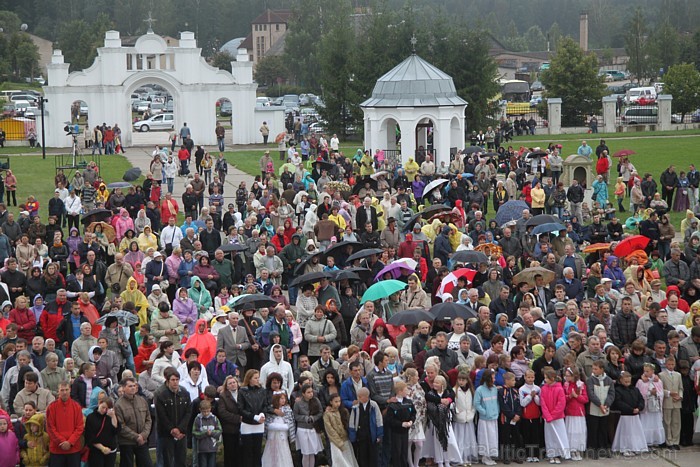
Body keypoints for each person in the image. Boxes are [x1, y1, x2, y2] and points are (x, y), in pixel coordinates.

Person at [154, 367, 191, 467]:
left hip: (181, 433)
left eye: (177, 380)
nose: (175, 382)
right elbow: (161, 415)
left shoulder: (185, 393)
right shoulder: (160, 394)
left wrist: (180, 429)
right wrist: (172, 429)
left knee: (181, 460)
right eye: (173, 380)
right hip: (166, 434)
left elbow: (188, 412)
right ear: (167, 380)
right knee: (167, 461)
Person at [115, 377, 153, 467]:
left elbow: (148, 419)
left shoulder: (142, 400)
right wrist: (136, 437)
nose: (133, 388)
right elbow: (121, 426)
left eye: (134, 386)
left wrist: (143, 435)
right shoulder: (118, 405)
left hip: (142, 441)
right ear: (123, 388)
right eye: (130, 386)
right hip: (127, 442)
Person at [46, 381, 85, 467]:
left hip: (73, 449)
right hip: (57, 450)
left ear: (70, 390)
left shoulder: (77, 406)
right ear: (58, 391)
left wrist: (70, 442)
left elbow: (80, 427)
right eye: (62, 390)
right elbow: (50, 427)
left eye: (66, 390)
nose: (64, 392)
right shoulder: (52, 407)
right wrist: (62, 441)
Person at [612, 371, 648, 456]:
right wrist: (631, 409)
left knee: (635, 432)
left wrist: (639, 408)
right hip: (625, 416)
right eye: (626, 381)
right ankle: (625, 448)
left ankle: (635, 446)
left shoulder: (635, 389)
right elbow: (619, 402)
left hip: (635, 416)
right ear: (621, 380)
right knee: (626, 432)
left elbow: (641, 399)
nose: (628, 383)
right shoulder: (618, 390)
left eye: (629, 381)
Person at [238, 369, 269, 467]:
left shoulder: (262, 390)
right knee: (247, 452)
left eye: (258, 377)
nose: (258, 380)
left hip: (259, 424)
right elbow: (240, 409)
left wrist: (262, 414)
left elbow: (265, 405)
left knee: (257, 451)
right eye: (255, 378)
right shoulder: (242, 391)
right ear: (249, 379)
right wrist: (254, 417)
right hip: (247, 424)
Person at [540, 367, 570, 463]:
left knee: (559, 435)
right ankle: (551, 454)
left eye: (546, 378)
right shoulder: (544, 389)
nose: (545, 380)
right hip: (548, 418)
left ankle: (558, 454)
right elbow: (543, 403)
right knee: (549, 436)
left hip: (557, 418)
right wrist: (548, 416)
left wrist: (553, 415)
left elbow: (561, 404)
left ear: (552, 378)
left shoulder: (559, 389)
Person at [348, 387, 383, 467]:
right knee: (362, 455)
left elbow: (379, 419)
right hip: (361, 435)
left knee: (373, 455)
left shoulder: (374, 405)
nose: (358, 398)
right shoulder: (355, 407)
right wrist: (352, 436)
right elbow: (352, 422)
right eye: (358, 397)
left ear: (366, 396)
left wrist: (379, 434)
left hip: (372, 435)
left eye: (360, 397)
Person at [293, 383, 324, 467]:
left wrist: (314, 418)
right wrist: (305, 418)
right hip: (303, 430)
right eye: (308, 392)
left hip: (313, 429)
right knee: (306, 453)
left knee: (312, 452)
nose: (311, 394)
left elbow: (320, 412)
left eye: (311, 392)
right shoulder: (298, 404)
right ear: (303, 393)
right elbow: (295, 416)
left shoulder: (316, 400)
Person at [635, 363, 665, 448]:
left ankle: (655, 440)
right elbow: (639, 394)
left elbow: (661, 392)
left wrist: (656, 394)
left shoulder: (658, 381)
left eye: (647, 371)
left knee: (655, 423)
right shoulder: (640, 381)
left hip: (656, 406)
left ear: (652, 371)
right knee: (646, 423)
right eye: (644, 371)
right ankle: (646, 441)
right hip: (646, 407)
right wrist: (649, 393)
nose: (645, 373)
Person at [84, 397, 120, 467]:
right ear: (99, 404)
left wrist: (113, 416)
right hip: (96, 451)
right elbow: (89, 437)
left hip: (110, 450)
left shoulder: (110, 416)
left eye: (106, 408)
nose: (104, 410)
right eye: (103, 407)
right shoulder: (91, 417)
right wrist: (102, 448)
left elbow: (116, 430)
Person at [474, 369, 499, 466]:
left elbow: (496, 402)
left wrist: (496, 411)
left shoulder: (494, 388)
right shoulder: (480, 390)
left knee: (492, 437)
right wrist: (485, 412)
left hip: (493, 417)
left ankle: (490, 455)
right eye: (493, 378)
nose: (494, 379)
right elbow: (476, 404)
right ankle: (485, 456)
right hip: (484, 419)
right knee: (485, 438)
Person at [563, 367, 588, 461]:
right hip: (569, 412)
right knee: (570, 431)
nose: (566, 377)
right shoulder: (565, 385)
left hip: (579, 412)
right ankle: (571, 450)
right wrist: (570, 396)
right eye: (565, 375)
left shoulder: (581, 385)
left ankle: (578, 449)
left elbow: (585, 399)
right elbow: (563, 398)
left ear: (574, 376)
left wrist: (577, 396)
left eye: (568, 375)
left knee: (579, 432)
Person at [659, 356, 683, 450]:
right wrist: (669, 393)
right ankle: (669, 441)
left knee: (676, 422)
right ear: (666, 364)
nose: (671, 366)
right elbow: (660, 389)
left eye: (672, 364)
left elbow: (680, 388)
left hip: (677, 402)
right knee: (667, 422)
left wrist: (679, 396)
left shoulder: (678, 375)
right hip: (667, 401)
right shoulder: (661, 375)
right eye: (669, 364)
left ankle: (676, 440)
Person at [192, 399, 222, 467]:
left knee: (212, 464)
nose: (206, 413)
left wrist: (211, 433)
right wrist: (204, 433)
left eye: (207, 411)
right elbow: (194, 432)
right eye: (204, 412)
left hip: (212, 448)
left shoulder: (214, 418)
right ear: (200, 410)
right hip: (201, 448)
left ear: (210, 409)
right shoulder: (197, 419)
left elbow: (219, 430)